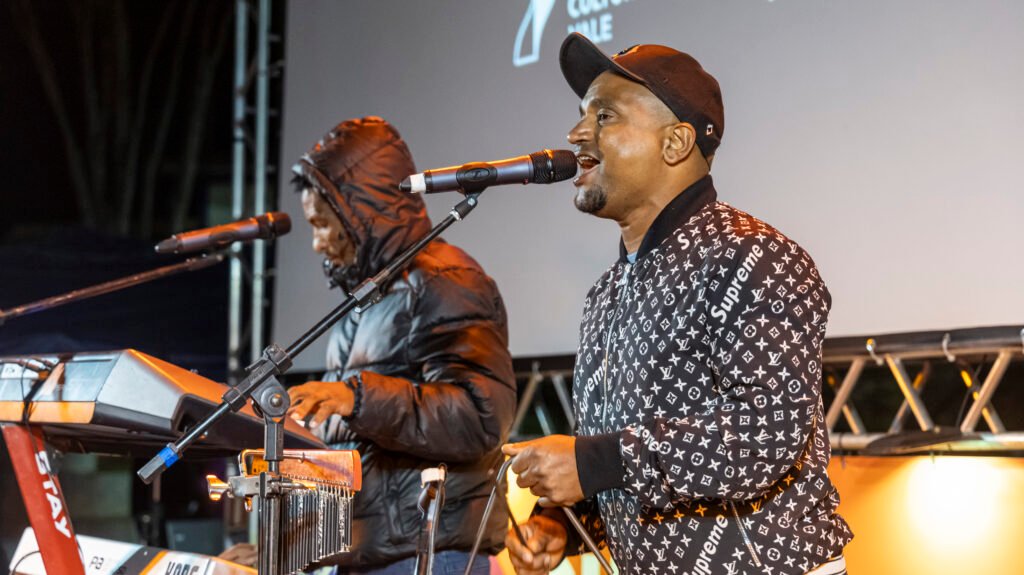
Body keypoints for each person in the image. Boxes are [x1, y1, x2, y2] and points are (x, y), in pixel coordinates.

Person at [502, 34, 853, 575]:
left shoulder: (752, 256)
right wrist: (562, 524)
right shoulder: (605, 293)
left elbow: (765, 433)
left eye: (604, 116)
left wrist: (595, 461)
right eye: (581, 115)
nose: (576, 134)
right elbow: (630, 465)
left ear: (676, 143)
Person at [226, 116, 516, 573]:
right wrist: (280, 551)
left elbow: (480, 418)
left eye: (323, 224)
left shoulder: (447, 279)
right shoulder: (361, 305)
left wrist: (356, 398)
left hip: (429, 556)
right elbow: (360, 463)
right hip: (371, 556)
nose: (317, 243)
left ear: (361, 214)